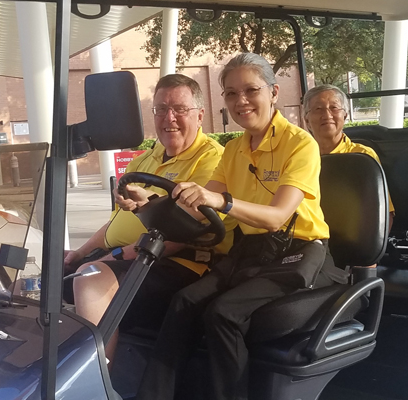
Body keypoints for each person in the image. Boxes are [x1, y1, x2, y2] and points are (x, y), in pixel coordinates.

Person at [136, 53, 331, 400]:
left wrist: (222, 202)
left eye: (250, 90)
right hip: (250, 252)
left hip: (295, 253)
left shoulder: (300, 144)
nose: (240, 101)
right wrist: (147, 205)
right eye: (230, 93)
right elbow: (197, 213)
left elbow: (276, 216)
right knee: (183, 301)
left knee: (223, 314)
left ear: (272, 92)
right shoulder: (233, 150)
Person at [64, 74, 230, 363]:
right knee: (42, 277)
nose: (170, 118)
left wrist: (106, 259)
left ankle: (95, 386)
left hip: (175, 263)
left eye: (180, 109)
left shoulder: (212, 160)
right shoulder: (145, 159)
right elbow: (117, 221)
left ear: (200, 115)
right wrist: (81, 251)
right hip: (128, 258)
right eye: (161, 109)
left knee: (90, 279)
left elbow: (184, 231)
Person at [303, 84, 395, 280]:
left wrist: (368, 257)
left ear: (345, 116)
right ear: (306, 120)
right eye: (318, 109)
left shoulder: (362, 157)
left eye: (334, 108)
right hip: (310, 247)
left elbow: (384, 215)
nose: (326, 114)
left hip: (354, 251)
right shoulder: (298, 158)